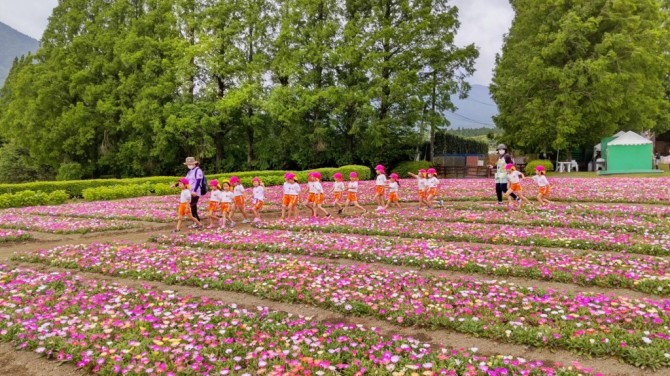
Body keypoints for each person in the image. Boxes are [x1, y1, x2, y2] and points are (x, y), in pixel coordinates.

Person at [183, 157, 204, 225]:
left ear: (194, 163)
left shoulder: (198, 170)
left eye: (190, 163)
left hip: (195, 191)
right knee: (192, 206)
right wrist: (176, 184)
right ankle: (196, 220)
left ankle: (196, 221)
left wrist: (194, 190)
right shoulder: (190, 171)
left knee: (193, 205)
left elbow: (198, 181)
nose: (189, 165)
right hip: (190, 191)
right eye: (188, 164)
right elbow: (185, 180)